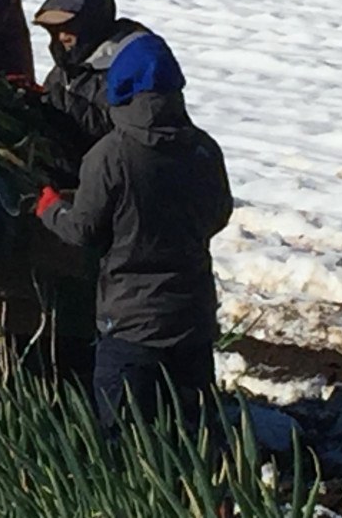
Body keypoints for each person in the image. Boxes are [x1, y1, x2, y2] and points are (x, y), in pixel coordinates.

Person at [33, 27, 233, 440]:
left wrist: (50, 209)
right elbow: (220, 215)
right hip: (192, 320)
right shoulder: (204, 149)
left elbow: (83, 230)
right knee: (192, 441)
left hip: (130, 325)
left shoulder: (110, 155)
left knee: (123, 442)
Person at [32, 0, 159, 171]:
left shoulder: (130, 66)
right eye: (55, 29)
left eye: (70, 27)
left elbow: (129, 133)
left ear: (91, 23)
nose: (62, 36)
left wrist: (60, 103)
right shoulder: (67, 67)